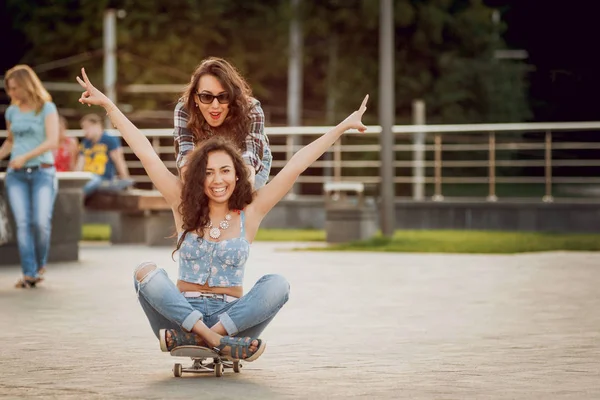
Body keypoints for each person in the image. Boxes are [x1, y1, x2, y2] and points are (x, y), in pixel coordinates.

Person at [76, 67, 368, 361]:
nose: (218, 180)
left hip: (232, 320)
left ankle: (204, 336)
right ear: (199, 176)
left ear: (238, 175)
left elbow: (296, 164)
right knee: (145, 272)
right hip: (179, 314)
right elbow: (145, 152)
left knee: (278, 284)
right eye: (209, 172)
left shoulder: (250, 210)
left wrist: (341, 127)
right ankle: (213, 339)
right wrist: (109, 107)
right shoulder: (183, 202)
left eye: (226, 171)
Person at [0, 65, 59, 288]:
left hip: (42, 172)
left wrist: (26, 156)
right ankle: (29, 273)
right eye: (9, 89)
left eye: (15, 88)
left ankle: (39, 264)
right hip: (16, 175)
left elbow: (53, 141)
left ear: (26, 85)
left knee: (40, 222)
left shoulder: (47, 108)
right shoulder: (12, 112)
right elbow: (10, 141)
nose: (11, 93)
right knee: (23, 224)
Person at [174, 57, 272, 189]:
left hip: (250, 160)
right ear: (196, 98)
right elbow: (186, 157)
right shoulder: (184, 109)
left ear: (233, 97)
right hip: (206, 161)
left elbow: (250, 158)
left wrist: (239, 197)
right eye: (206, 97)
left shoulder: (251, 109)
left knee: (242, 203)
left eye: (223, 97)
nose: (215, 106)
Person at [76, 113, 133, 198]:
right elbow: (79, 164)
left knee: (94, 181)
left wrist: (126, 180)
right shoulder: (85, 143)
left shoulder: (109, 140)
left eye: (87, 127)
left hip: (102, 178)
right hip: (86, 177)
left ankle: (78, 197)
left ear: (97, 125)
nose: (85, 131)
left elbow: (119, 161)